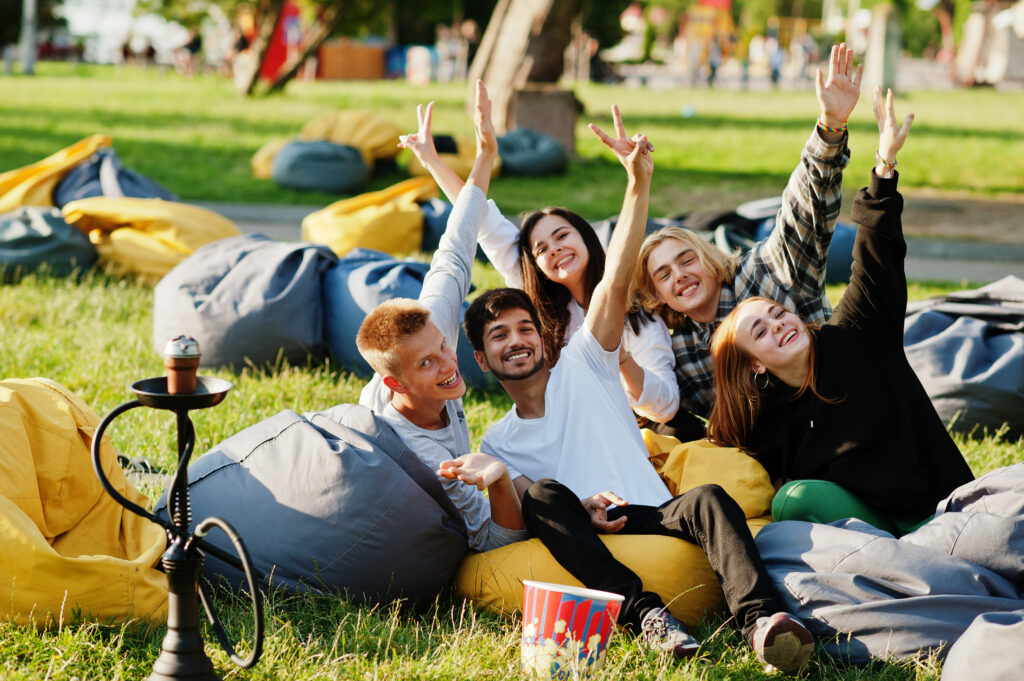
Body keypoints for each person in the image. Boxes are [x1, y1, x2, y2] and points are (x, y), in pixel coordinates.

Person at [451, 119, 814, 674]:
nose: (517, 341)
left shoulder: (585, 362)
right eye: (499, 336)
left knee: (712, 498)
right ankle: (644, 614)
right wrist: (577, 503)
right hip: (583, 522)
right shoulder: (499, 440)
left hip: (649, 512)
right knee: (546, 495)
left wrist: (637, 183)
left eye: (524, 328)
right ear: (481, 359)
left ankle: (762, 623)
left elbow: (616, 280)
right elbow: (520, 519)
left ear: (542, 334)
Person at [706, 89, 975, 536]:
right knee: (795, 500)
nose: (779, 324)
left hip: (943, 510)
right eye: (760, 331)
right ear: (755, 364)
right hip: (879, 536)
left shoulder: (856, 333)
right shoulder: (767, 426)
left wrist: (884, 165)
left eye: (777, 313)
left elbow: (875, 255)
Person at [631, 43, 863, 440]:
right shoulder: (681, 353)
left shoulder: (765, 272)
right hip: (778, 460)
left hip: (845, 418)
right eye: (663, 275)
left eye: (686, 259)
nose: (680, 275)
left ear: (707, 256)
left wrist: (830, 128)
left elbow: (803, 213)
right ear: (657, 297)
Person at [399, 102, 679, 425]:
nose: (555, 250)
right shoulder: (534, 292)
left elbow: (666, 406)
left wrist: (619, 358)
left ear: (587, 237)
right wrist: (431, 159)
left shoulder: (637, 319)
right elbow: (479, 216)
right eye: (542, 248)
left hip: (629, 430)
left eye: (562, 236)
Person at [356, 81, 526, 554]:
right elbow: (494, 543)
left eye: (442, 348)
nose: (449, 364)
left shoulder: (429, 333)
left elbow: (455, 247)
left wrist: (484, 154)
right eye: (427, 364)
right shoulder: (422, 457)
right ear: (396, 386)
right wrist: (499, 480)